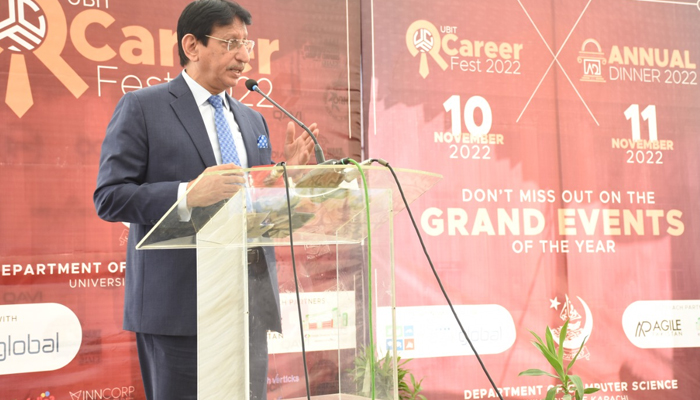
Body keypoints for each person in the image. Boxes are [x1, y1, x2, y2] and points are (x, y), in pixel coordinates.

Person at [93, 1, 319, 399]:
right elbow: (110, 197)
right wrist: (186, 194)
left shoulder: (252, 120)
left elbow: (254, 207)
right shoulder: (144, 108)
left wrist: (285, 179)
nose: (245, 57)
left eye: (248, 44)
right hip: (178, 309)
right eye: (231, 43)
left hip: (247, 306)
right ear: (192, 45)